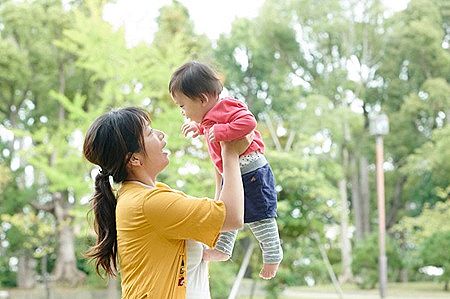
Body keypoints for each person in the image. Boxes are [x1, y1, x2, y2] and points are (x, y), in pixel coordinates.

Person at [83, 107, 251, 298]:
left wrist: (220, 154)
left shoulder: (153, 194)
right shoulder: (149, 204)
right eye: (150, 132)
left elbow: (217, 220)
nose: (161, 135)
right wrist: (230, 153)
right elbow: (232, 217)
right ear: (134, 159)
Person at [169, 61, 283, 280]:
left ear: (202, 99)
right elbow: (210, 125)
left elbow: (248, 122)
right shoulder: (211, 116)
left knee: (260, 216)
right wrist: (198, 128)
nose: (182, 112)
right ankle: (222, 249)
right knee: (225, 211)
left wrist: (223, 130)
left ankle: (272, 253)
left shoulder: (228, 106)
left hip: (251, 172)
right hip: (234, 175)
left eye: (182, 105)